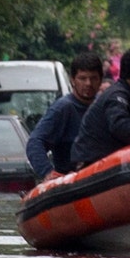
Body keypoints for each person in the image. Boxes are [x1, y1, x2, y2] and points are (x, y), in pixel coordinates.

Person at [26, 54, 104, 182]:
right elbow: (35, 142)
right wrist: (48, 173)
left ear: (100, 79)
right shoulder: (63, 108)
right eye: (82, 78)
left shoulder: (104, 107)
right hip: (71, 183)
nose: (88, 83)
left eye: (93, 78)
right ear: (72, 80)